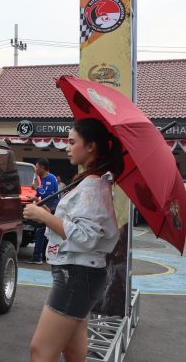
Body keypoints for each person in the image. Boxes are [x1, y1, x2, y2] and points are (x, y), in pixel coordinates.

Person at [24, 118, 123, 362]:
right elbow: (79, 228)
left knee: (40, 351)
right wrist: (47, 215)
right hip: (80, 274)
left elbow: (85, 237)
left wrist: (42, 216)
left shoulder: (92, 186)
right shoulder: (93, 182)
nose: (66, 147)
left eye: (71, 142)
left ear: (90, 147)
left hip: (76, 276)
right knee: (73, 351)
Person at [27, 158, 60, 265]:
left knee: (40, 232)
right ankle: (44, 256)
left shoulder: (50, 178)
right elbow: (41, 194)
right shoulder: (44, 178)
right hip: (48, 207)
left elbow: (46, 194)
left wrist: (36, 189)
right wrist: (34, 197)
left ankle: (37, 258)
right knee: (45, 233)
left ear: (42, 167)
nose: (35, 169)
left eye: (36, 167)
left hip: (51, 208)